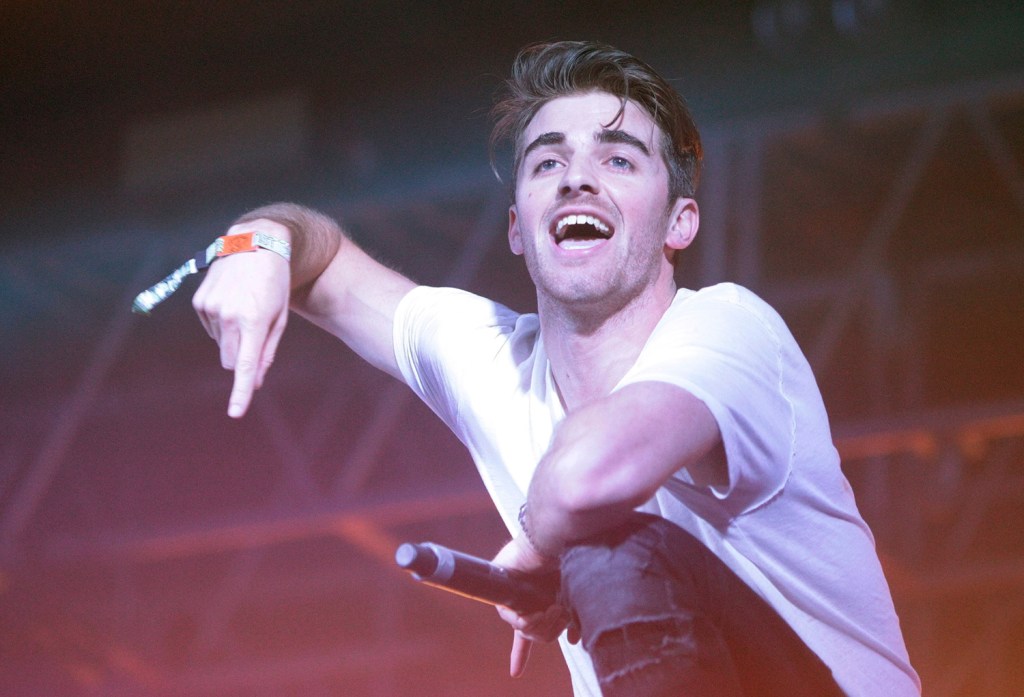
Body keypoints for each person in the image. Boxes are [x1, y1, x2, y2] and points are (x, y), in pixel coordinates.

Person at [190, 41, 920, 696]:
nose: (578, 179)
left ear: (679, 223)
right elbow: (323, 261)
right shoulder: (494, 357)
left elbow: (586, 479)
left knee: (612, 548)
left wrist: (538, 544)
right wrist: (254, 246)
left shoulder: (731, 328)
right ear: (517, 225)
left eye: (619, 158)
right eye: (548, 162)